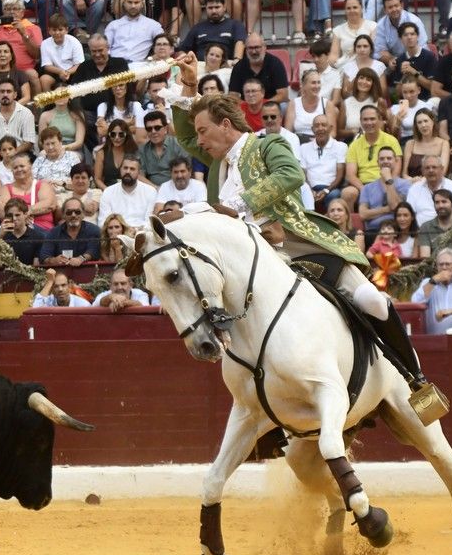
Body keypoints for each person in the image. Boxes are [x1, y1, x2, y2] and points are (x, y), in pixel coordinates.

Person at [173, 84, 429, 388]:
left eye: (203, 131)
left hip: (294, 244)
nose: (199, 141)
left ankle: (415, 379)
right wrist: (189, 87)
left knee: (371, 299)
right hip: (247, 259)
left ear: (225, 125)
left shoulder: (267, 145)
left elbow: (290, 174)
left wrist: (238, 204)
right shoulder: (219, 165)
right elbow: (185, 138)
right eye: (198, 133)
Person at [98, 155, 157, 229]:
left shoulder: (150, 192)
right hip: (117, 233)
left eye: (132, 169)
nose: (128, 171)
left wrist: (136, 231)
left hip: (142, 233)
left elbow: (150, 222)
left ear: (138, 172)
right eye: (125, 168)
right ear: (120, 169)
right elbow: (103, 222)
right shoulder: (108, 192)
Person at [0, 197, 44, 265]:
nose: (14, 218)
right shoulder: (1, 236)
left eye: (17, 215)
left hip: (29, 271)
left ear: (25, 214)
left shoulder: (38, 237)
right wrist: (0, 237)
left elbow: (36, 265)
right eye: (10, 215)